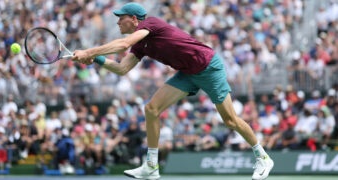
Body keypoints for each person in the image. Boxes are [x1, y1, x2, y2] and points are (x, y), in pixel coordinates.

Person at [72, 2, 274, 180]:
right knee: (151, 109)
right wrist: (95, 59)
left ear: (134, 20)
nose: (117, 23)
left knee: (230, 120)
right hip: (187, 72)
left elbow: (123, 44)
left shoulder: (150, 24)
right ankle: (151, 166)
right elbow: (121, 68)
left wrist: (89, 51)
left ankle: (263, 157)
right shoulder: (140, 45)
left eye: (121, 18)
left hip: (208, 66)